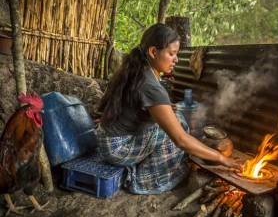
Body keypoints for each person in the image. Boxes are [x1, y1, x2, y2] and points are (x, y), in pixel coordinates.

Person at [96, 23, 240, 195]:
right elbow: (181, 139)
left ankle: (145, 164)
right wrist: (221, 158)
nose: (176, 59)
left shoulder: (138, 71)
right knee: (176, 131)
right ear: (153, 52)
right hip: (117, 149)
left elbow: (133, 106)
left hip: (107, 139)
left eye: (176, 54)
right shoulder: (150, 84)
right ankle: (144, 180)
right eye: (171, 54)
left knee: (175, 118)